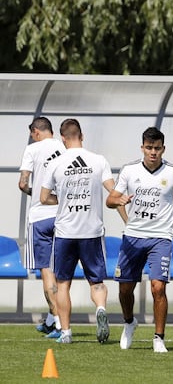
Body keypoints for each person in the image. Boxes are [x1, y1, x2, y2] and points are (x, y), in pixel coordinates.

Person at [106, 126, 173, 353]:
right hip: (133, 237)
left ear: (163, 149)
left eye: (157, 148)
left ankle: (158, 337)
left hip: (161, 238)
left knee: (158, 287)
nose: (153, 152)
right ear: (142, 148)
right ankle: (129, 322)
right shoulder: (129, 170)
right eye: (149, 148)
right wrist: (120, 199)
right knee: (125, 288)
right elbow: (110, 200)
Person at [40, 118, 120, 344]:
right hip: (92, 231)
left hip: (66, 231)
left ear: (63, 138)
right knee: (97, 283)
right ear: (81, 135)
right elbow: (113, 192)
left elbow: (43, 197)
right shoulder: (98, 160)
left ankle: (65, 332)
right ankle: (101, 309)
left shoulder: (56, 163)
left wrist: (63, 198)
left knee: (63, 283)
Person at [18, 116, 64, 338]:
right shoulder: (65, 146)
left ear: (36, 131)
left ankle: (57, 323)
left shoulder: (33, 149)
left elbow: (23, 183)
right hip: (64, 216)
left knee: (46, 269)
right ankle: (50, 319)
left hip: (40, 215)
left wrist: (34, 193)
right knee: (60, 271)